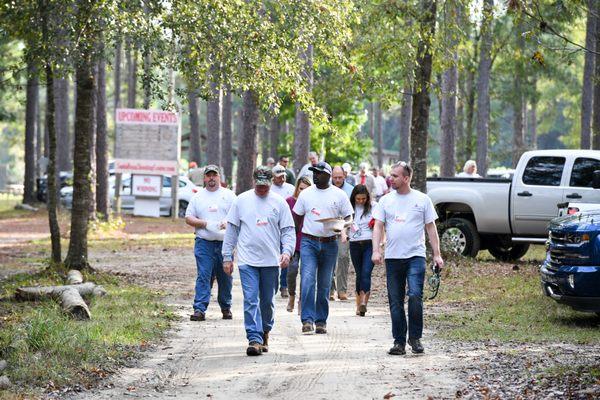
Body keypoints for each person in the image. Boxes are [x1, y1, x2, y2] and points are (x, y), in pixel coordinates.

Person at [371, 161, 444, 356]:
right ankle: (399, 342)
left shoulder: (422, 200)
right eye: (390, 175)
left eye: (395, 176)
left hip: (415, 256)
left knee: (414, 296)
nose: (390, 178)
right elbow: (378, 226)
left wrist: (437, 254)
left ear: (406, 178)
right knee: (395, 301)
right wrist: (376, 250)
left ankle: (415, 338)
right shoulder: (385, 200)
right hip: (393, 257)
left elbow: (431, 227)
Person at [222, 166, 296, 356]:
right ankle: (253, 338)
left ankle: (265, 331)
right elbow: (231, 230)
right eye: (259, 185)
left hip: (271, 261)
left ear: (271, 183)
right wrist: (227, 256)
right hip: (247, 261)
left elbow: (288, 230)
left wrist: (287, 252)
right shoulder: (241, 201)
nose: (262, 189)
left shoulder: (279, 203)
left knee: (267, 302)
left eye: (266, 185)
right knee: (250, 299)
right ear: (254, 181)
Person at [293, 161, 353, 334]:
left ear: (328, 175)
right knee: (307, 280)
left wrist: (342, 225)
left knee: (325, 284)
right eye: (314, 172)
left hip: (330, 242)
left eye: (319, 173)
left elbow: (349, 216)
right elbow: (297, 216)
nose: (315, 175)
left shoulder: (339, 194)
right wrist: (297, 241)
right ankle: (307, 319)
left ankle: (321, 321)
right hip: (309, 242)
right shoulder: (306, 194)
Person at [185, 165, 236, 322]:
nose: (211, 178)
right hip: (204, 243)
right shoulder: (198, 197)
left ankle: (226, 306)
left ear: (219, 177)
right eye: (209, 176)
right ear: (204, 178)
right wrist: (204, 223)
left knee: (225, 276)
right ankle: (199, 309)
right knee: (204, 275)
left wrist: (228, 222)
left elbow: (238, 215)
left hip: (224, 243)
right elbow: (188, 218)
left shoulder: (229, 196)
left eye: (214, 175)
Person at [285, 176, 312, 313]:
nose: (303, 192)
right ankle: (291, 295)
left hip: (307, 241)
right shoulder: (289, 201)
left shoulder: (312, 202)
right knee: (292, 270)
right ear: (297, 188)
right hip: (292, 242)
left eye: (306, 190)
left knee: (306, 273)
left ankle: (302, 300)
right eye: (301, 189)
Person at [347, 184, 375, 316]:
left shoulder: (374, 207)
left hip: (370, 243)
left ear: (367, 198)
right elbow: (344, 223)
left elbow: (380, 223)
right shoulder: (349, 207)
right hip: (354, 244)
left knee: (366, 272)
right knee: (359, 273)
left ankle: (364, 302)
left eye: (363, 199)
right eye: (358, 199)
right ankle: (358, 305)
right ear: (354, 197)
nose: (360, 201)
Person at [270, 165, 296, 298]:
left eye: (284, 176)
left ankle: (284, 285)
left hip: (287, 225)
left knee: (286, 256)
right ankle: (273, 283)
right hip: (273, 228)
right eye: (279, 176)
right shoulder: (270, 190)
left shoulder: (291, 189)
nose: (282, 178)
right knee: (274, 258)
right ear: (273, 177)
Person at [330, 166, 353, 301]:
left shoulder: (350, 190)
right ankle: (330, 289)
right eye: (335, 177)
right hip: (330, 227)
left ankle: (342, 290)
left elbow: (352, 211)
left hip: (345, 227)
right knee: (329, 258)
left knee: (343, 256)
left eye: (340, 177)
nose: (337, 180)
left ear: (344, 176)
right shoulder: (327, 189)